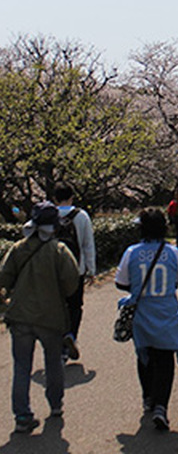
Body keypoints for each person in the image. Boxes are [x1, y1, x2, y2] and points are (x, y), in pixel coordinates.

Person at [0, 201, 79, 433]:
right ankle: (55, 405)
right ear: (54, 226)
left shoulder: (18, 248)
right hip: (50, 316)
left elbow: (3, 278)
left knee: (21, 367)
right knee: (53, 362)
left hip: (20, 316)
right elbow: (71, 283)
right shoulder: (59, 251)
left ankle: (22, 416)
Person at [115, 208, 178, 431]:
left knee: (145, 355)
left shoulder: (132, 252)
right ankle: (161, 406)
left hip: (142, 313)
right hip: (166, 312)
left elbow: (120, 283)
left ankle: (148, 397)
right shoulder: (172, 252)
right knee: (165, 359)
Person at [54, 182, 96, 363]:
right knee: (75, 306)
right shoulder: (82, 216)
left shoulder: (49, 215)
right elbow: (88, 244)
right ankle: (71, 335)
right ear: (72, 197)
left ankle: (59, 343)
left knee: (57, 307)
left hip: (54, 271)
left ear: (55, 198)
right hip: (76, 270)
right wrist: (91, 269)